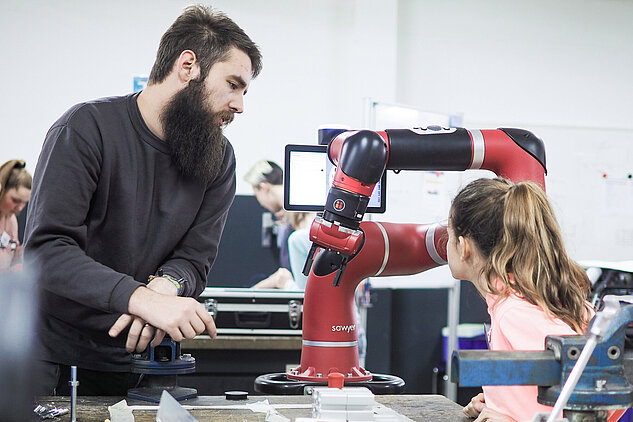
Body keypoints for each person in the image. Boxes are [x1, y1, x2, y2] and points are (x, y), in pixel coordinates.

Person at [24, 5, 262, 396]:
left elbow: (195, 258)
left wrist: (166, 289)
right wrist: (142, 300)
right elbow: (48, 251)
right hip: (54, 361)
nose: (239, 105)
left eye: (244, 91)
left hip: (150, 360)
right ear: (189, 66)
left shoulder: (220, 157)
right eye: (233, 84)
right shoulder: (85, 129)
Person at [447, 178, 624, 422]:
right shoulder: (525, 302)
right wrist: (501, 399)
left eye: (448, 234)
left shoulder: (516, 313)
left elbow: (594, 399)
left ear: (462, 246)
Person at [0, 159, 31, 272]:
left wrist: (20, 254)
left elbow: (11, 258)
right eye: (15, 200)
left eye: (24, 203)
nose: (20, 208)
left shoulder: (12, 219)